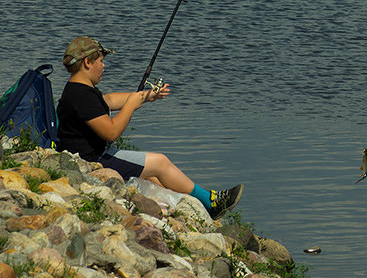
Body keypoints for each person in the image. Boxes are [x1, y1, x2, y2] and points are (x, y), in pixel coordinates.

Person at [56, 36, 243, 218]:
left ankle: (192, 210)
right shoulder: (82, 96)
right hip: (94, 160)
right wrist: (130, 107)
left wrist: (145, 96)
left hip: (94, 155)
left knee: (154, 179)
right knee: (160, 163)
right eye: (101, 61)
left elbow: (109, 100)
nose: (104, 66)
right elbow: (111, 132)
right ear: (88, 62)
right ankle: (211, 202)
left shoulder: (78, 89)